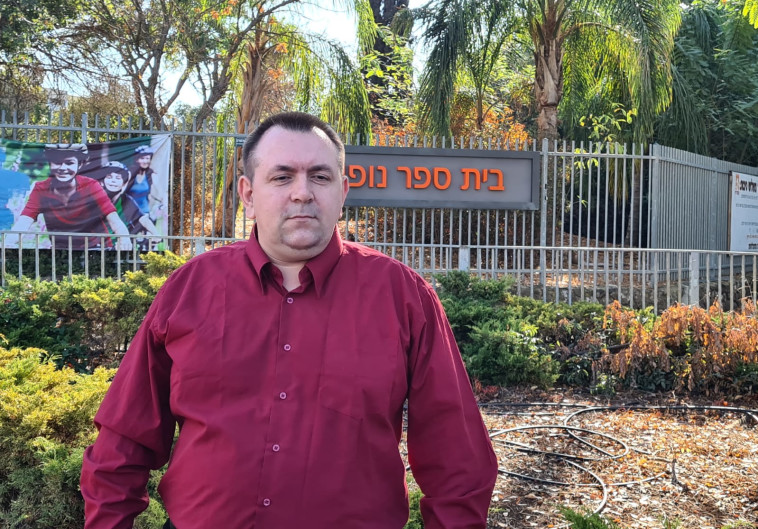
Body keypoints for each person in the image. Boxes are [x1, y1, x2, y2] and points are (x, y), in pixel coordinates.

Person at [80, 112, 498, 529]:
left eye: (320, 176)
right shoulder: (191, 288)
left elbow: (457, 459)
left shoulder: (402, 297)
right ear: (247, 193)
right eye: (282, 177)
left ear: (343, 190)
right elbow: (123, 442)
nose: (302, 193)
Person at [9, 144, 131, 250]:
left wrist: (124, 238)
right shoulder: (41, 188)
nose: (63, 168)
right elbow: (24, 221)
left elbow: (114, 219)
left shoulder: (91, 185)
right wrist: (7, 242)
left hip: (96, 248)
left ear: (80, 165)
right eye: (57, 162)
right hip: (60, 250)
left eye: (69, 163)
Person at [99, 161, 159, 243]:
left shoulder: (126, 199)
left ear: (124, 183)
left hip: (117, 243)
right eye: (109, 177)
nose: (113, 181)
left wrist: (155, 233)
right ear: (102, 182)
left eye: (118, 178)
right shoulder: (96, 199)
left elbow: (142, 218)